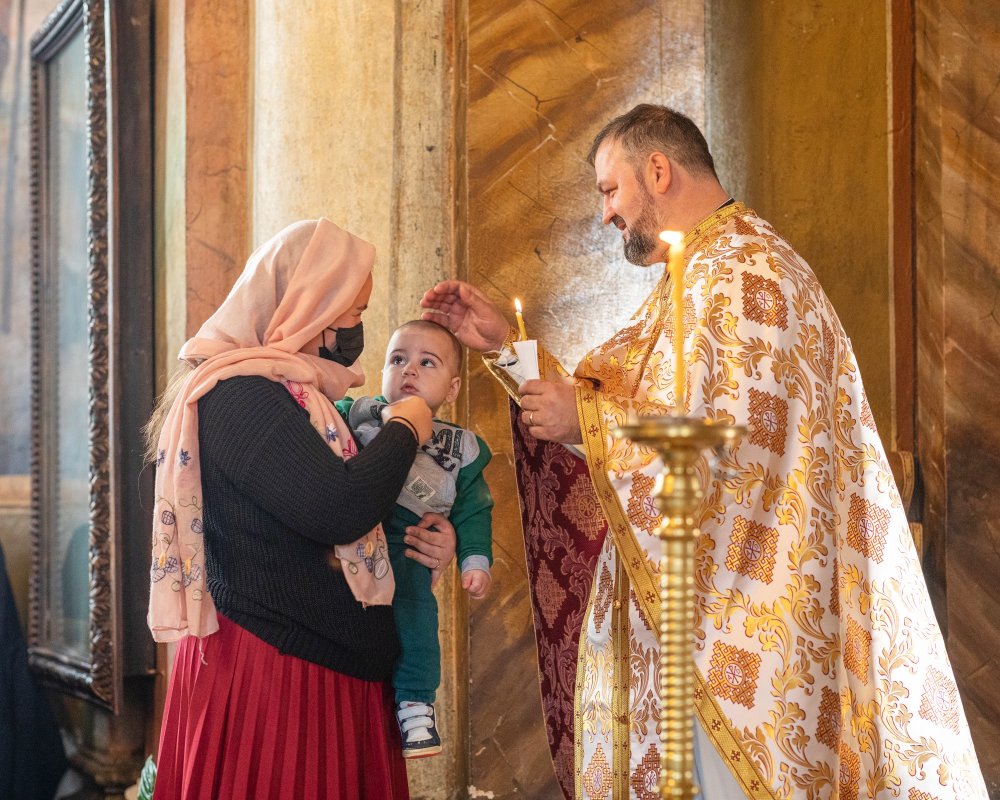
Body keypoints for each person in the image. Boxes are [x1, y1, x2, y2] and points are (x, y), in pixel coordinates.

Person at [421, 105, 989, 799]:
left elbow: (734, 447)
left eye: (611, 190)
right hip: (707, 614)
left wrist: (588, 421)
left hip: (743, 623)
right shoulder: (703, 270)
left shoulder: (744, 274)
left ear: (658, 170)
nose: (606, 214)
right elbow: (628, 402)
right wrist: (507, 352)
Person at [145, 218, 457, 800]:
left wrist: (434, 535)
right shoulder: (241, 395)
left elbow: (343, 508)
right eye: (353, 313)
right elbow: (339, 507)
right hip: (277, 678)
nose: (357, 329)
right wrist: (407, 428)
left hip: (315, 659)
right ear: (311, 308)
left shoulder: (299, 394)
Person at [336, 319, 494, 759]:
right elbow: (327, 412)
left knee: (419, 620)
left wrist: (475, 561)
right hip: (351, 546)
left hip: (408, 547)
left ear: (453, 387)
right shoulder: (358, 414)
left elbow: (475, 511)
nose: (409, 370)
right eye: (398, 359)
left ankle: (416, 704)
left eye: (428, 363)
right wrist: (375, 413)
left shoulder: (461, 450)